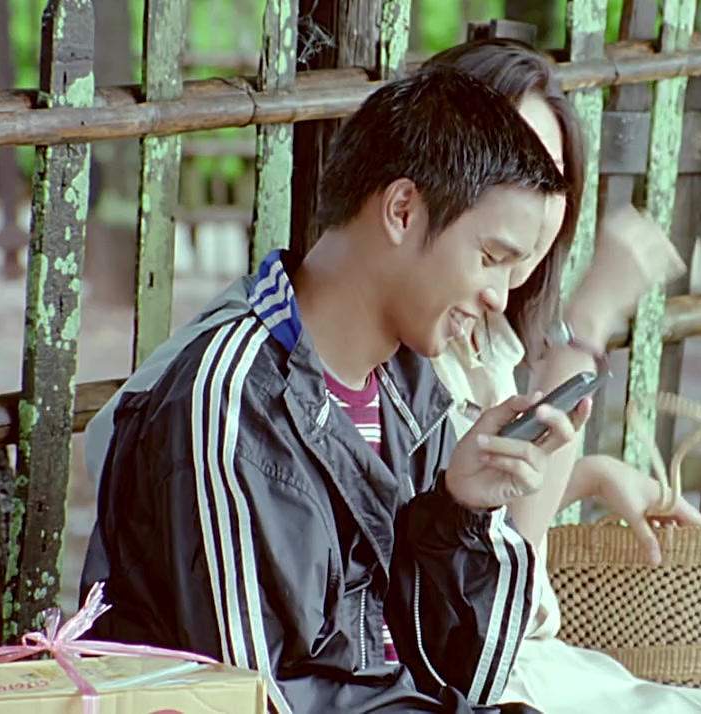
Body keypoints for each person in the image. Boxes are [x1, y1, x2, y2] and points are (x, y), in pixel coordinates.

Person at [79, 65, 587, 714]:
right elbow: (264, 696)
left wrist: (460, 512)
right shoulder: (231, 399)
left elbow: (459, 680)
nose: (498, 298)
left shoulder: (414, 396)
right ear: (402, 211)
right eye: (490, 259)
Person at [423, 39, 701, 714]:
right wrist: (589, 321)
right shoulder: (425, 333)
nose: (535, 202)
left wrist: (590, 475)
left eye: (552, 178)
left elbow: (490, 514)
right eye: (513, 166)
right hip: (499, 681)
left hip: (541, 663)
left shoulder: (493, 342)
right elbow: (497, 549)